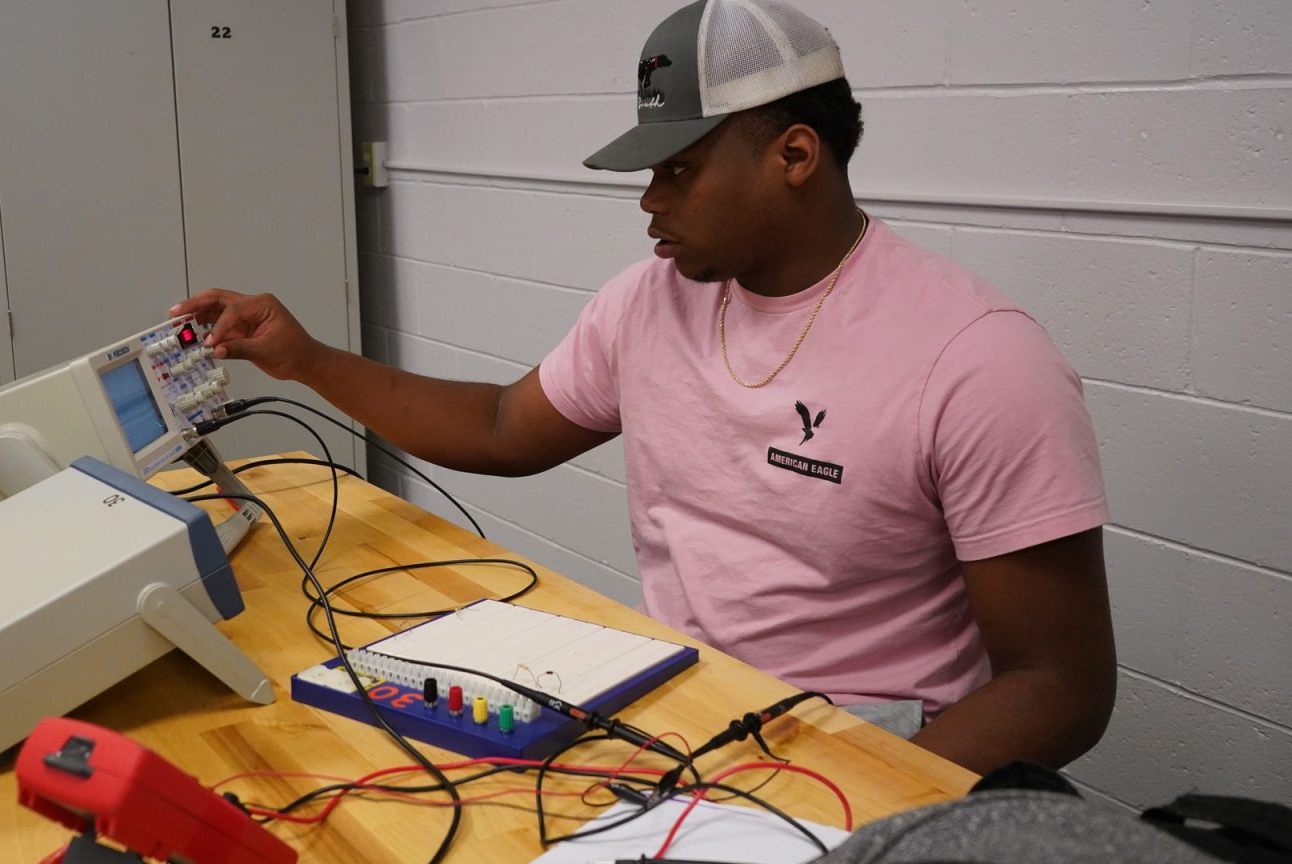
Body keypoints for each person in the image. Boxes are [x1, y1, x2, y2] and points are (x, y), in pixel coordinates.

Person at [171, 0, 1115, 774]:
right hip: (683, 717)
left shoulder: (977, 360)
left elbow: (1058, 686)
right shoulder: (648, 306)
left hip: (872, 752)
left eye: (680, 170)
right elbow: (504, 428)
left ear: (795, 156)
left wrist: (845, 807)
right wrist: (307, 360)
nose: (649, 201)